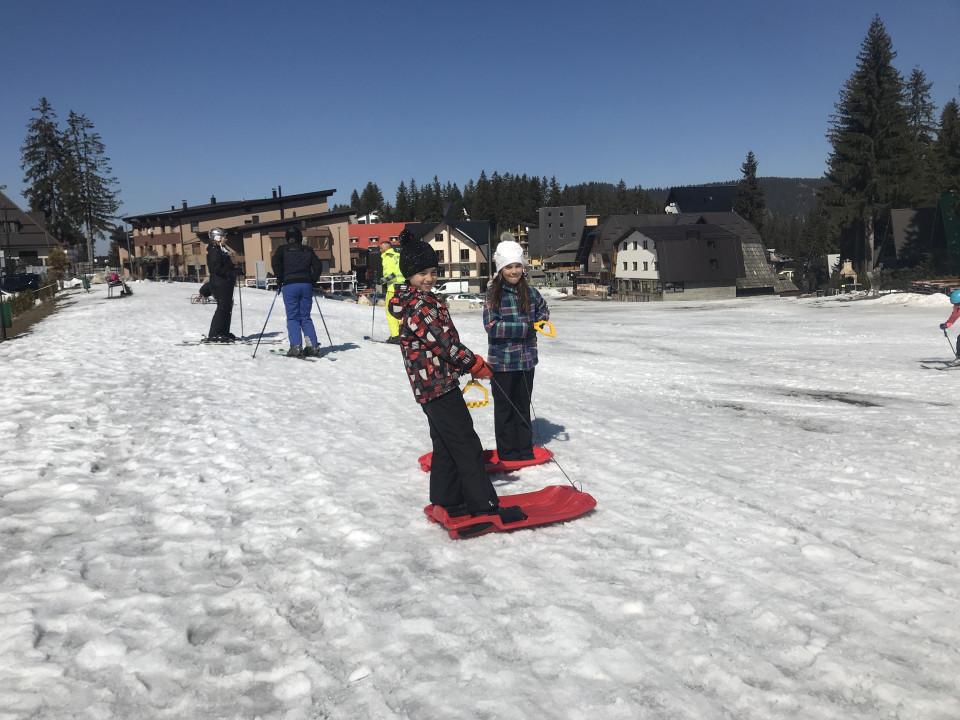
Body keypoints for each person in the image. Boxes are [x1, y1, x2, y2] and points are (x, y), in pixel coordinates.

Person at [389, 229, 526, 524]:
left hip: (435, 384)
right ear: (408, 275)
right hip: (436, 386)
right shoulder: (418, 307)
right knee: (465, 443)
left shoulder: (421, 300)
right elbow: (444, 345)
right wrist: (474, 363)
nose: (428, 278)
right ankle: (484, 505)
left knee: (445, 442)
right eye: (421, 273)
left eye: (431, 271)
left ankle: (447, 499)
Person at [483, 233, 550, 461]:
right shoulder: (494, 294)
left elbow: (543, 310)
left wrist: (540, 321)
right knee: (505, 409)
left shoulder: (531, 293)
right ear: (501, 269)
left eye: (517, 266)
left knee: (522, 406)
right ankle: (508, 452)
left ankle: (524, 449)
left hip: (527, 360)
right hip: (502, 363)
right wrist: (525, 327)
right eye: (509, 267)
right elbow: (491, 326)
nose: (514, 271)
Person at [272, 226, 323, 357]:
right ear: (300, 237)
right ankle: (312, 346)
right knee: (305, 317)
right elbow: (318, 266)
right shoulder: (308, 250)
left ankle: (296, 346)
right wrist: (312, 279)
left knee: (293, 317)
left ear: (287, 238)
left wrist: (279, 277)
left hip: (290, 285)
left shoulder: (282, 250)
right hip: (306, 284)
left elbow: (275, 263)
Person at [206, 227, 237, 342]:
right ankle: (214, 333)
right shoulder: (214, 250)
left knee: (227, 307)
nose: (226, 239)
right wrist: (230, 269)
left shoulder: (221, 250)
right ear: (217, 237)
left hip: (225, 282)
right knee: (222, 307)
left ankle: (224, 331)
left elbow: (226, 265)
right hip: (219, 283)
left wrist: (235, 270)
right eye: (224, 236)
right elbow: (216, 269)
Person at [378, 236, 404, 343]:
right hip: (403, 288)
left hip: (393, 289)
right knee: (400, 313)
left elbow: (391, 275)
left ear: (384, 249)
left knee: (391, 312)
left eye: (380, 249)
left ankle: (395, 336)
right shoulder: (398, 255)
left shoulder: (387, 257)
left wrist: (380, 281)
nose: (379, 251)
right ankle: (403, 334)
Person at [940, 289, 960, 357]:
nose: (956, 305)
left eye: (958, 304)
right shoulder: (957, 308)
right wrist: (947, 324)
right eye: (955, 304)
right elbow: (954, 317)